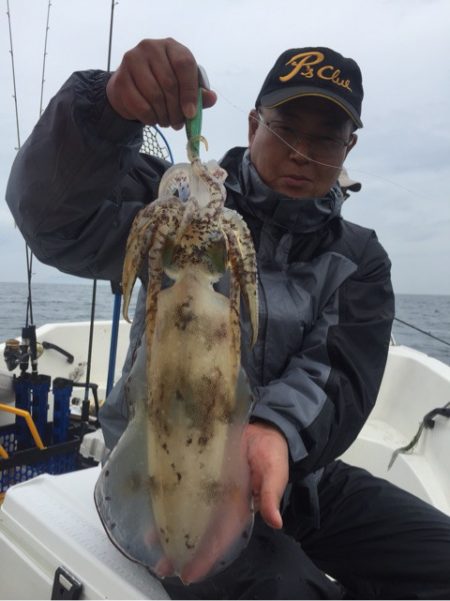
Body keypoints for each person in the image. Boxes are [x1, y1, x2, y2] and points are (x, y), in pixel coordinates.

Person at [6, 39, 450, 599]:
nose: (302, 154)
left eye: (326, 138)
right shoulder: (176, 211)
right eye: (287, 128)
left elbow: (338, 374)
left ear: (348, 147)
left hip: (298, 475)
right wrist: (105, 111)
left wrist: (275, 434)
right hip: (165, 467)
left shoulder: (358, 258)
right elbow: (51, 216)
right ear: (252, 124)